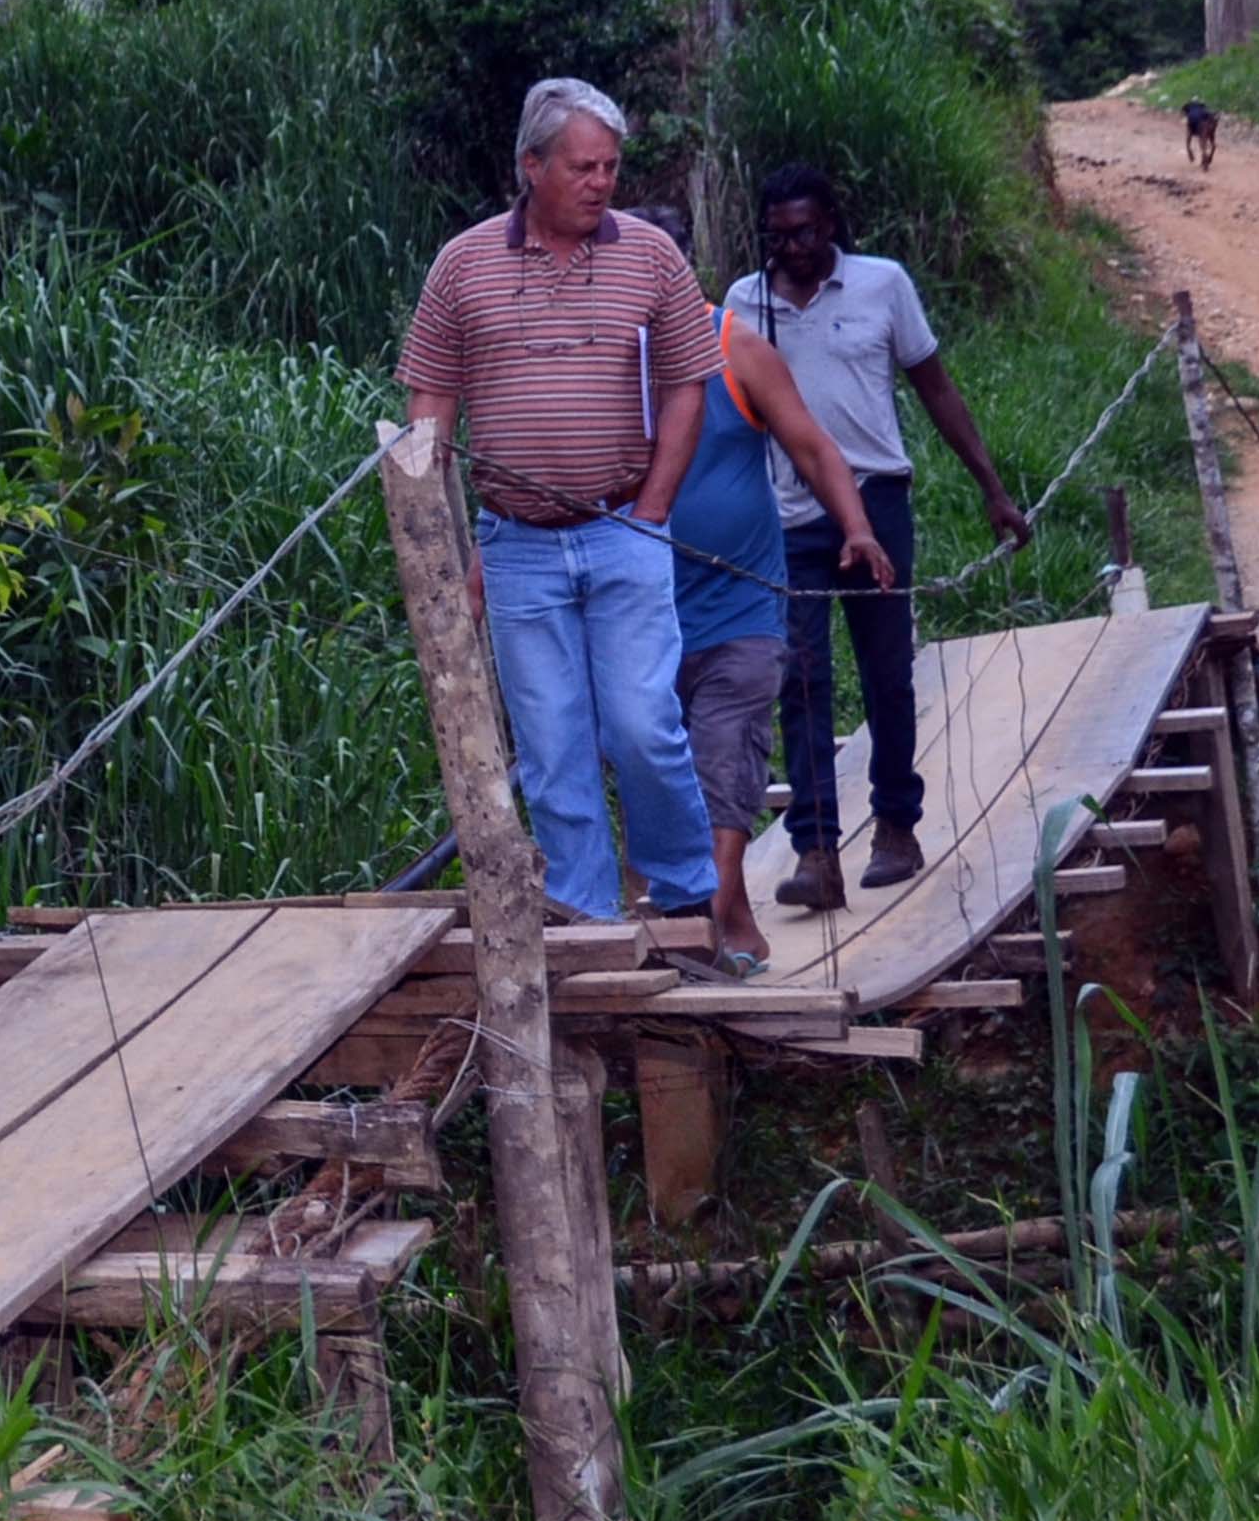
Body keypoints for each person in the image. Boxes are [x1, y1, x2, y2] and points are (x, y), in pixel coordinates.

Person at [395, 79, 724, 924]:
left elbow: (690, 381)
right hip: (517, 547)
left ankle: (684, 896)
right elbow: (430, 403)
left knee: (646, 727)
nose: (601, 181)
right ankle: (589, 922)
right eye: (583, 166)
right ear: (530, 165)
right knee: (552, 748)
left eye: (611, 166)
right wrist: (446, 546)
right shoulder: (463, 264)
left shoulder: (650, 253)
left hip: (624, 530)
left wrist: (653, 508)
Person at [724, 164, 1033, 911]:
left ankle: (897, 824)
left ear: (830, 223)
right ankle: (816, 849)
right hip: (786, 515)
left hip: (875, 499)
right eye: (777, 236)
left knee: (886, 672)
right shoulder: (745, 302)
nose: (791, 248)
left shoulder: (882, 284)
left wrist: (991, 488)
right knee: (800, 680)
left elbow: (935, 388)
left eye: (804, 232)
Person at [620, 207, 896, 970]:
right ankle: (729, 916)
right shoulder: (602, 360)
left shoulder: (736, 346)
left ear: (684, 269)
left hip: (740, 611)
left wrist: (857, 527)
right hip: (637, 614)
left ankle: (704, 918)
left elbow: (811, 443)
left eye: (661, 266)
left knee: (725, 763)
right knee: (649, 764)